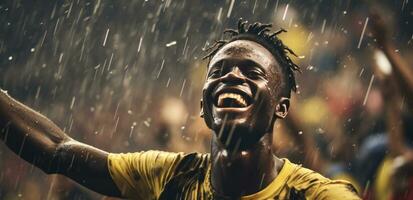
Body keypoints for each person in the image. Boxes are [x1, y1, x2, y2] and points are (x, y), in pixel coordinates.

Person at [0, 19, 360, 199]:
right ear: (203, 107)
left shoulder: (318, 195)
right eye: (218, 71)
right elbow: (57, 151)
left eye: (252, 72)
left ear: (282, 107)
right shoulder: (170, 176)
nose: (232, 76)